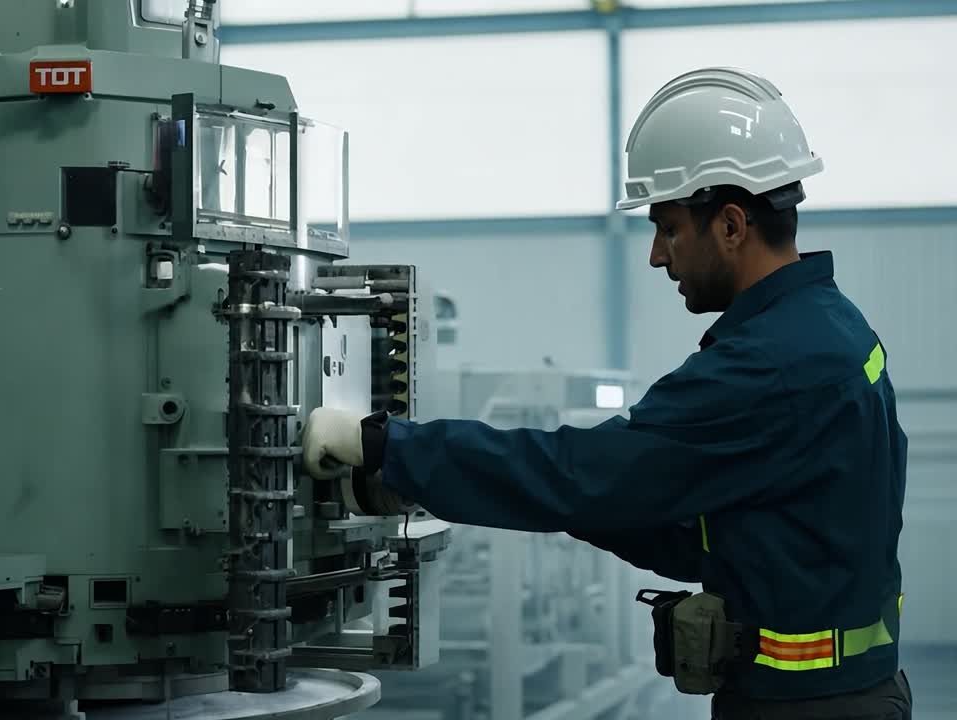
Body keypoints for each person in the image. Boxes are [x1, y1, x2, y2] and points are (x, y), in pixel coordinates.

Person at [302, 66, 912, 719]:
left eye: (669, 227)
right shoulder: (833, 326)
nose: (657, 255)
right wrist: (579, 494)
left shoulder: (767, 368)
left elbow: (583, 473)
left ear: (731, 225)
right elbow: (688, 525)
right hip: (849, 694)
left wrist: (383, 446)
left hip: (805, 709)